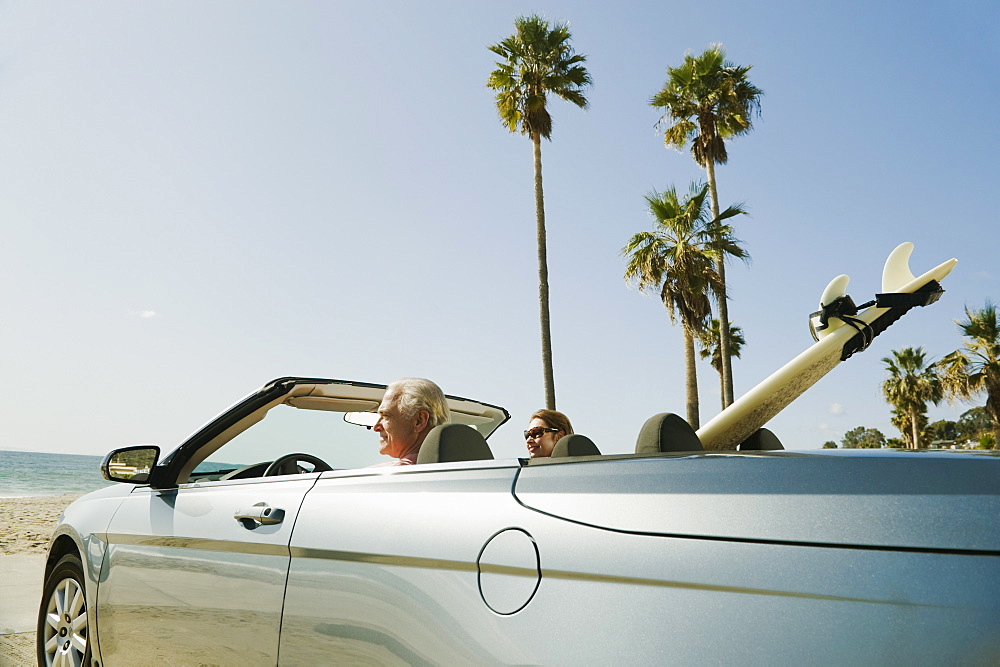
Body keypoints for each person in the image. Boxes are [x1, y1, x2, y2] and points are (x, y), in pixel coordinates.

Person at [370, 378, 450, 466]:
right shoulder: (458, 471)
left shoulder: (388, 475)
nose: (376, 427)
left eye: (386, 416)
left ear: (419, 421)